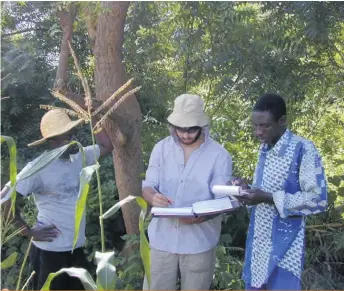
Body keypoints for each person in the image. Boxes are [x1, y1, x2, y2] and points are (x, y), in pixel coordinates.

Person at [0, 108, 113, 290]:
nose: (71, 139)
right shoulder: (38, 167)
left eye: (71, 133)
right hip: (49, 252)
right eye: (65, 136)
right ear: (51, 141)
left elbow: (108, 146)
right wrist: (28, 232)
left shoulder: (80, 156)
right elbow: (5, 200)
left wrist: (93, 116)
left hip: (75, 249)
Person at [233, 93, 328, 290]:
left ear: (282, 120)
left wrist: (267, 198)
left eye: (264, 126)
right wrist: (246, 190)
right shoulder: (265, 148)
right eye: (255, 126)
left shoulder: (303, 149)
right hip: (259, 246)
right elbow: (264, 192)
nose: (258, 132)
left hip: (286, 250)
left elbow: (318, 200)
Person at [142, 94, 233, 290]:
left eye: (192, 129)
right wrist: (153, 197)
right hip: (162, 239)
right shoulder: (161, 149)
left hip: (199, 242)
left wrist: (201, 217)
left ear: (202, 126)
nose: (185, 135)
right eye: (180, 129)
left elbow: (223, 200)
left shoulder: (219, 155)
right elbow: (148, 186)